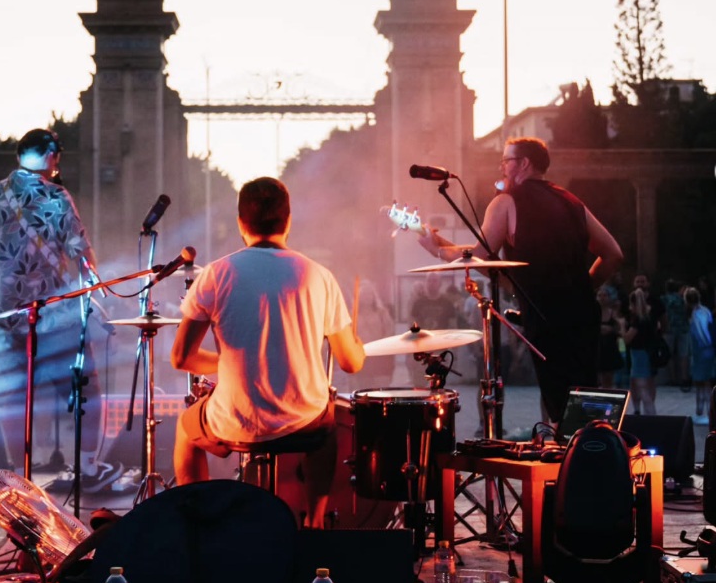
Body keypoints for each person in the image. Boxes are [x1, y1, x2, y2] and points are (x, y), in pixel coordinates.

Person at [170, 177, 365, 528]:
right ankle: (314, 524)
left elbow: (181, 358)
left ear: (241, 223)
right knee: (327, 425)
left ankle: (198, 528)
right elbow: (350, 362)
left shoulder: (215, 274)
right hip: (302, 422)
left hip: (234, 420)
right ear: (288, 221)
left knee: (187, 430)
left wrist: (228, 364)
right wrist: (359, 346)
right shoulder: (318, 276)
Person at [416, 137, 624, 426]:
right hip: (583, 316)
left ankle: (567, 450)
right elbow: (613, 254)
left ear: (524, 163)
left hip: (545, 319)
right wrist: (582, 289)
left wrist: (437, 249)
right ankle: (593, 449)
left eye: (506, 161)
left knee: (559, 404)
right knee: (582, 402)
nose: (501, 167)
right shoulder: (571, 201)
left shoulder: (506, 202)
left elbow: (478, 257)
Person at [0, 127, 120, 491]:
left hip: (6, 316)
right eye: (56, 155)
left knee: (16, 397)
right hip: (52, 315)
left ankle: (17, 475)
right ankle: (88, 469)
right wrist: (94, 288)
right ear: (49, 156)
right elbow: (80, 252)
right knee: (85, 391)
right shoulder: (56, 195)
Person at [623, 286, 659, 415]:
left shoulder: (637, 320)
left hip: (638, 356)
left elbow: (627, 339)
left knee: (643, 389)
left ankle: (651, 416)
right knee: (644, 386)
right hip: (648, 354)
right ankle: (640, 411)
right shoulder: (650, 317)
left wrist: (621, 327)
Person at [686, 286, 714, 424]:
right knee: (707, 383)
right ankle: (708, 412)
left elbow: (702, 333)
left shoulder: (696, 314)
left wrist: (704, 345)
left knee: (701, 384)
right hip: (707, 351)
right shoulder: (706, 311)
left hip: (701, 351)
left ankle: (702, 412)